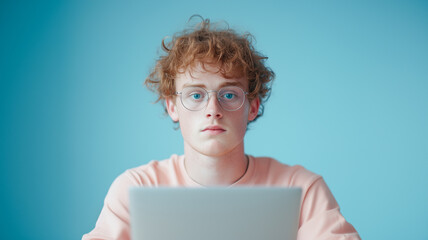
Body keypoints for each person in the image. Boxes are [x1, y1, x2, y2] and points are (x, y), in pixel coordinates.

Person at [82, 16, 361, 240]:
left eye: (229, 95)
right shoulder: (136, 188)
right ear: (172, 107)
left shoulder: (301, 188)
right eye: (195, 95)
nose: (212, 110)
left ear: (252, 107)